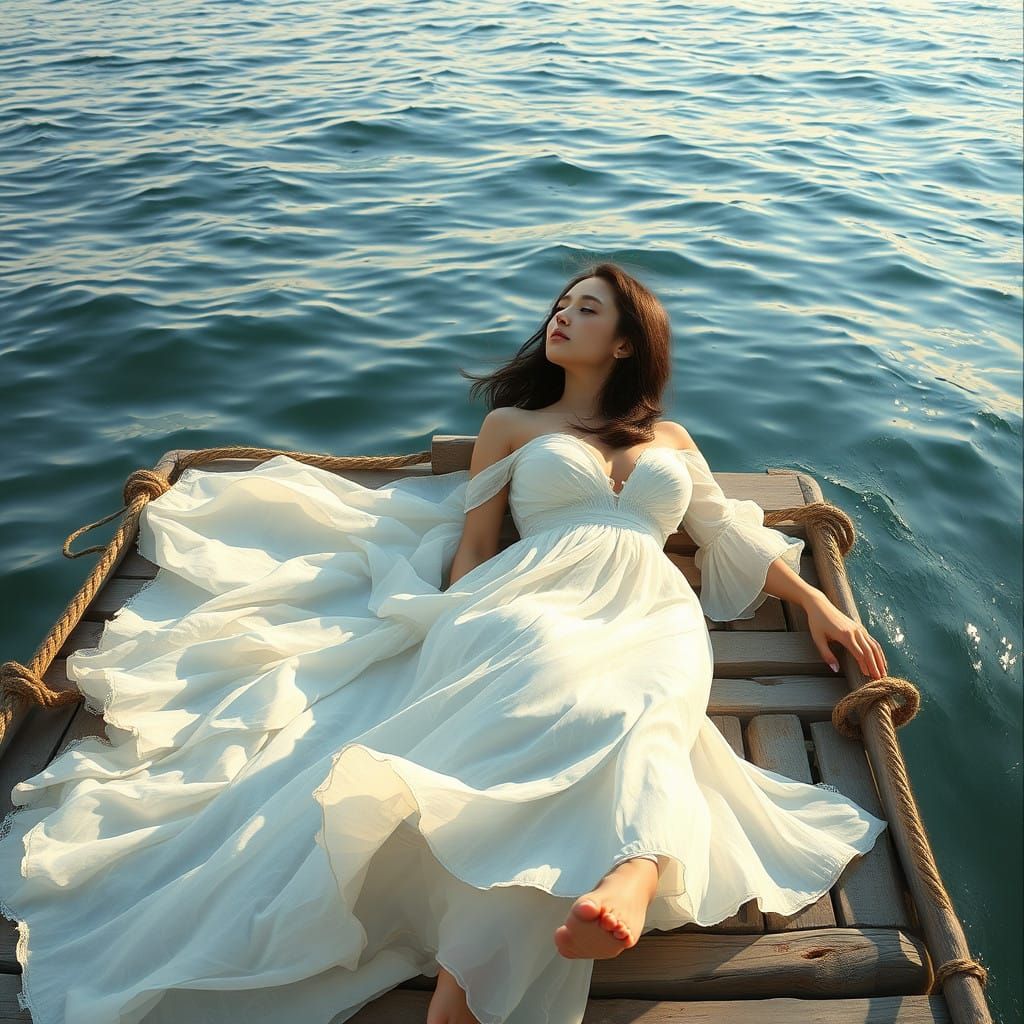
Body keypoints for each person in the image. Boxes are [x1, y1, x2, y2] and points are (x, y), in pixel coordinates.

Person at [0, 262, 889, 1024]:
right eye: (560, 304)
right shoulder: (514, 428)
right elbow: (474, 545)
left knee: (645, 704)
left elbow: (722, 529)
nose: (561, 315)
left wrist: (815, 599)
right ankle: (615, 885)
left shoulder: (672, 440)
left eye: (586, 308)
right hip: (525, 598)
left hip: (651, 604)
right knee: (554, 710)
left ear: (627, 343)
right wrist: (451, 624)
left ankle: (497, 968)